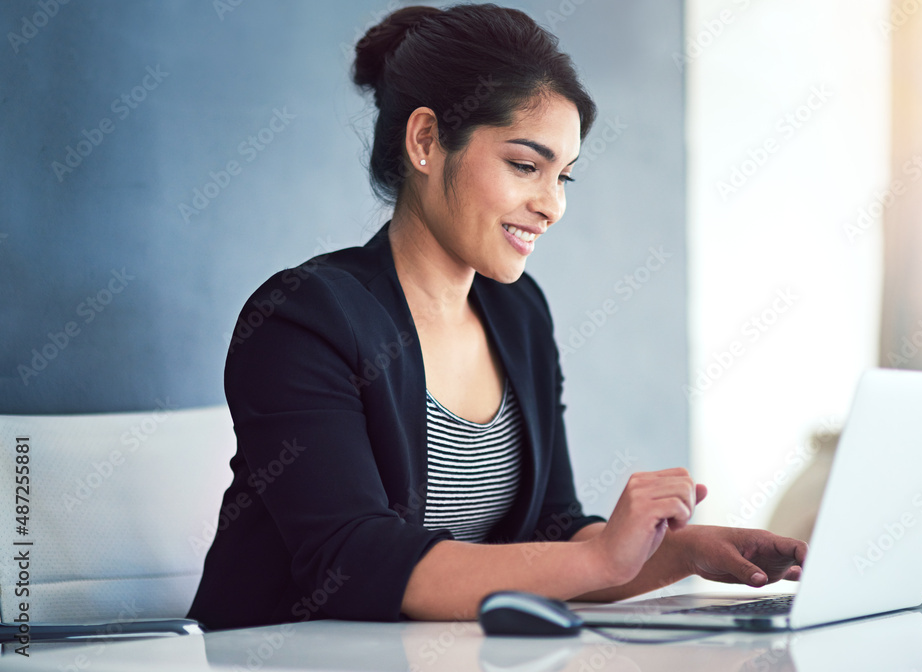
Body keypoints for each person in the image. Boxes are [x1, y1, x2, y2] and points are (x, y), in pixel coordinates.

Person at [187, 3, 806, 630]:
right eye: (525, 166)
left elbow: (552, 531)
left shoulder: (518, 313)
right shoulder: (302, 319)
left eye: (563, 176)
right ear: (426, 140)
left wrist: (682, 553)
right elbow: (355, 562)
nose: (552, 205)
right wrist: (605, 561)